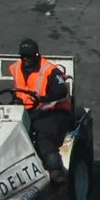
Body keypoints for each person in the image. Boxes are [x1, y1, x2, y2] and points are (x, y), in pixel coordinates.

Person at [10, 38, 73, 177]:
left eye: (29, 56)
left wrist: (44, 98)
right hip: (27, 111)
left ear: (37, 55)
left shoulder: (50, 70)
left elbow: (61, 90)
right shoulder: (15, 68)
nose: (26, 59)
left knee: (41, 135)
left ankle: (55, 169)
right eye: (23, 56)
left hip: (53, 111)